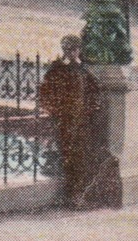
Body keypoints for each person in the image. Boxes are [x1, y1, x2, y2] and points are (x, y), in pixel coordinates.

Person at [37, 34, 104, 208]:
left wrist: (91, 110)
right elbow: (45, 93)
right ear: (64, 50)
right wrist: (56, 112)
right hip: (64, 121)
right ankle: (72, 197)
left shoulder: (82, 69)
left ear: (79, 50)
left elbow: (94, 91)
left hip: (81, 121)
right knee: (69, 158)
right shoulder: (57, 69)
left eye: (74, 49)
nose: (72, 52)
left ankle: (78, 195)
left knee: (81, 157)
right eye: (68, 49)